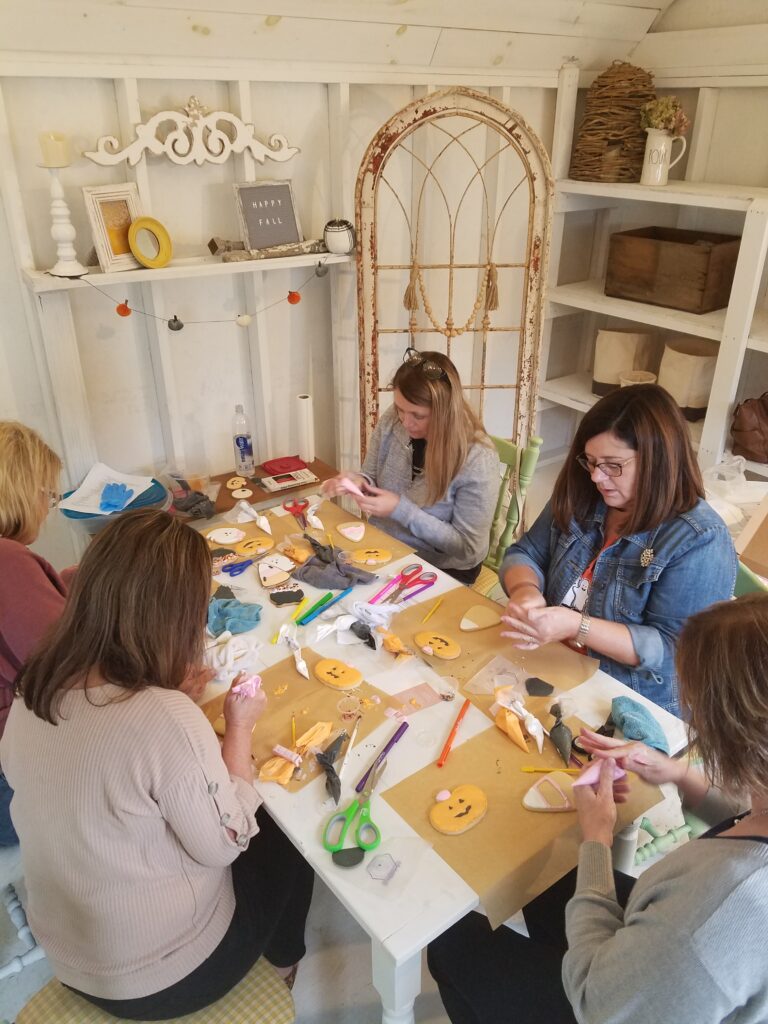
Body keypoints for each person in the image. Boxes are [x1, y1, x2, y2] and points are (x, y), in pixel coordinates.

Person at [0, 509, 314, 1019]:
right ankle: (282, 964)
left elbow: (105, 764)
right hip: (165, 978)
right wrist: (239, 727)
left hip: (68, 956)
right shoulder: (163, 717)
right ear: (176, 617)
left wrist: (170, 697)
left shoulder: (35, 684)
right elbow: (224, 844)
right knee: (282, 828)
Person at [428, 592, 768, 1024]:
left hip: (607, 1002)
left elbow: (599, 1003)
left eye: (695, 712)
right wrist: (675, 772)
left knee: (450, 943)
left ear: (735, 734)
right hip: (666, 950)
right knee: (545, 881)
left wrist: (597, 839)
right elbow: (752, 817)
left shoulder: (719, 914)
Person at [499, 384, 736, 715]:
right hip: (552, 664)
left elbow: (675, 652)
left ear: (658, 461)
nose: (597, 477)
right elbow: (525, 553)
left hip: (628, 701)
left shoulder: (699, 539)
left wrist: (577, 626)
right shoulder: (583, 494)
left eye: (613, 465)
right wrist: (525, 590)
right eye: (591, 461)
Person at [323, 348, 499, 585]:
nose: (405, 422)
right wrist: (359, 483)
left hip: (442, 567)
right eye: (400, 409)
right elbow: (371, 475)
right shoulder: (394, 418)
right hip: (387, 544)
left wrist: (400, 509)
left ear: (444, 412)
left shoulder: (478, 459)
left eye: (418, 416)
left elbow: (467, 547)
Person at [0, 420, 72, 847]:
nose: (48, 508)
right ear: (21, 492)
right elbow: (73, 670)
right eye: (48, 494)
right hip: (11, 792)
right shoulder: (7, 561)